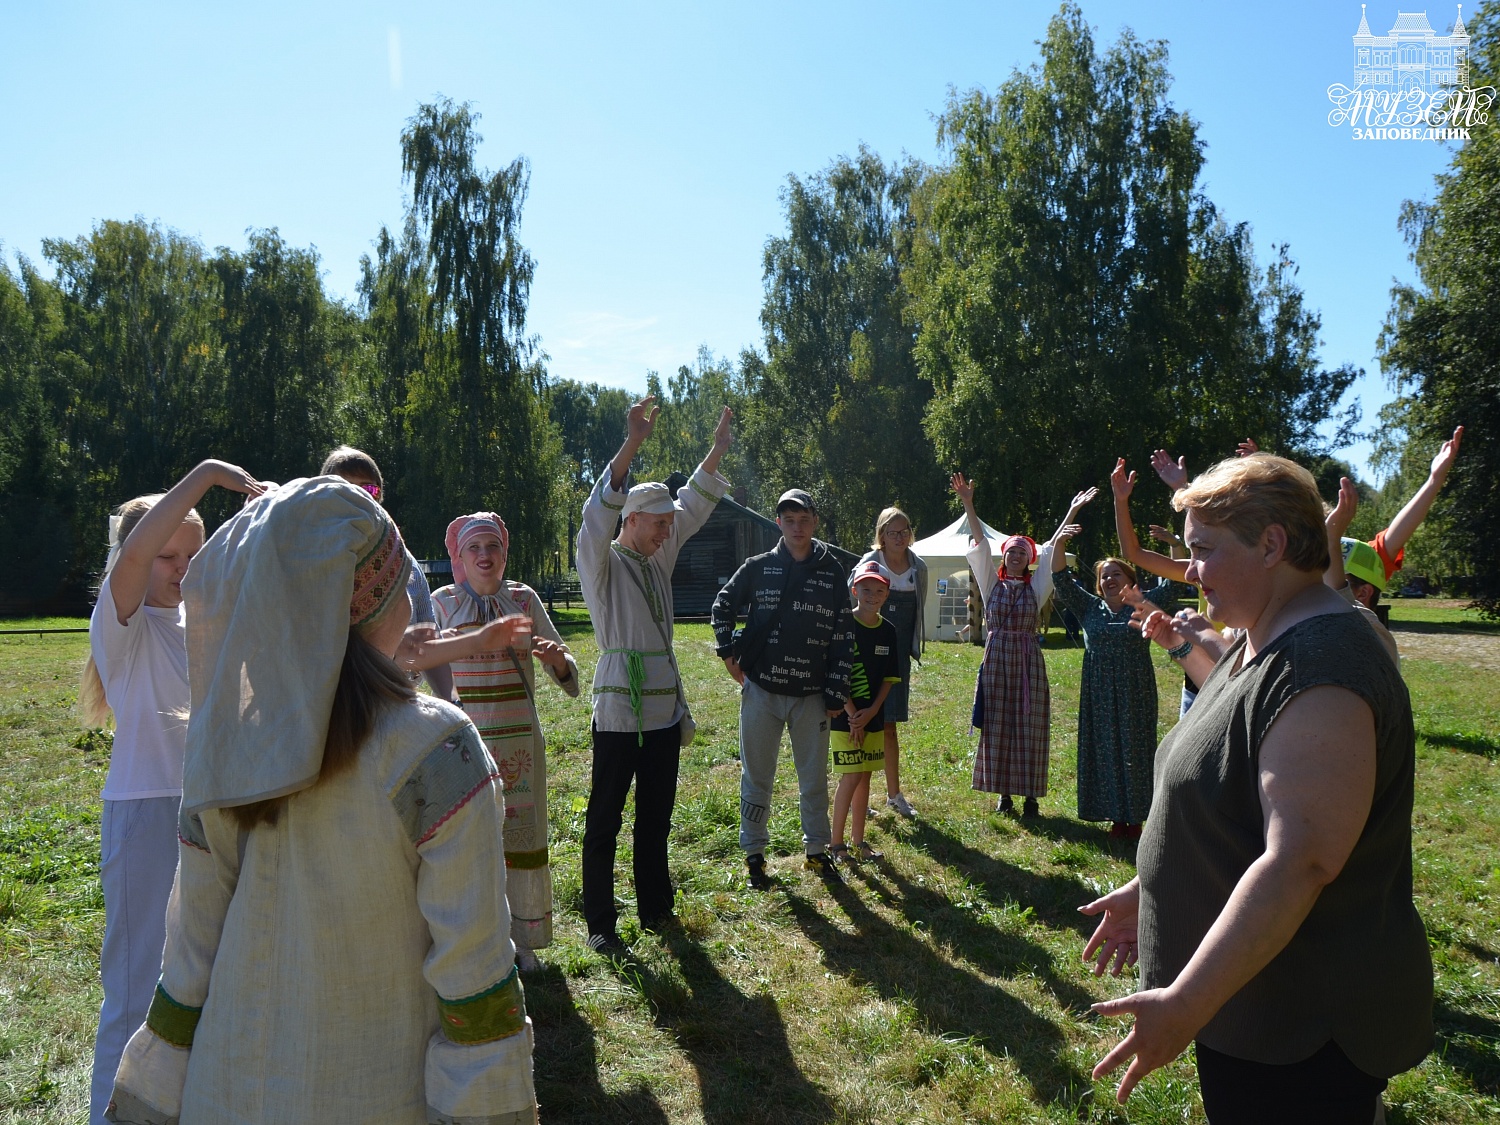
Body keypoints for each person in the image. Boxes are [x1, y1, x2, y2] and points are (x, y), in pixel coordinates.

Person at [105, 477, 539, 1124]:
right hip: (372, 1096)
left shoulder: (225, 745)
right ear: (377, 596)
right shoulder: (435, 748)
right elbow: (474, 971)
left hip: (220, 1095)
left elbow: (186, 958)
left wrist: (148, 1100)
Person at [1080, 453, 1432, 1124]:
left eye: (1205, 552)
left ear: (1271, 544)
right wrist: (1157, 882)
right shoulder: (1261, 637)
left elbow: (1300, 859)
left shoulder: (1323, 661)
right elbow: (1235, 792)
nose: (1190, 571)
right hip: (1259, 1014)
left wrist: (1183, 1002)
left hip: (1301, 1035)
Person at [79, 459, 267, 1125]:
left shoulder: (205, 620)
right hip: (144, 817)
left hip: (210, 811)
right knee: (135, 995)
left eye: (193, 552)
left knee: (208, 985)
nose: (182, 566)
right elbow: (133, 555)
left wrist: (261, 514)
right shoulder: (122, 623)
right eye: (167, 555)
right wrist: (209, 474)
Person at [577, 396, 733, 953]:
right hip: (619, 713)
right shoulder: (601, 562)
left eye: (670, 524)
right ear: (632, 520)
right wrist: (633, 443)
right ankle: (599, 924)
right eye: (659, 524)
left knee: (656, 818)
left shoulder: (657, 555)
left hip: (663, 711)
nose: (670, 532)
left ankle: (655, 910)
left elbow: (692, 504)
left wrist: (715, 451)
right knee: (604, 820)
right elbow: (596, 519)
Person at [405, 512, 581, 971]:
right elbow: (415, 664)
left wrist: (560, 663)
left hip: (519, 742)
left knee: (519, 840)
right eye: (474, 549)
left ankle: (520, 945)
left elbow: (568, 674)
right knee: (467, 844)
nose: (485, 556)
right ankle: (471, 943)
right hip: (459, 743)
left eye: (493, 547)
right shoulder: (440, 604)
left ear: (505, 552)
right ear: (460, 557)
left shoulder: (523, 600)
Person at [712, 488, 853, 889]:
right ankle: (754, 853)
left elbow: (844, 634)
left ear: (815, 523)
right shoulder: (757, 567)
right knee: (757, 775)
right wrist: (727, 653)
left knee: (813, 778)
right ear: (778, 523)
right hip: (762, 691)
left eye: (804, 519)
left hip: (812, 695)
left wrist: (835, 690)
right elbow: (722, 604)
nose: (797, 527)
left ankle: (816, 852)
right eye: (789, 520)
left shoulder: (832, 572)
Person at [952, 473, 1088, 817]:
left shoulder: (1038, 585)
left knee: (1030, 725)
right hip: (997, 657)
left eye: (1020, 553)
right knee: (998, 723)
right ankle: (1004, 794)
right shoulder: (989, 583)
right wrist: (969, 502)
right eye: (1010, 551)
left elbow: (1050, 549)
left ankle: (1030, 797)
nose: (1014, 556)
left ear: (1028, 559)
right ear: (1004, 557)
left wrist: (1070, 512)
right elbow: (979, 544)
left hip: (1027, 659)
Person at [1049, 541, 1172, 838]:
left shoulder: (1144, 602)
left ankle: (1138, 818)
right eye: (1105, 575)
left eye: (1116, 574)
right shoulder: (1089, 606)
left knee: (1136, 749)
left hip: (1135, 688)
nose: (1110, 580)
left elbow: (1173, 583)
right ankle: (1115, 817)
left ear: (1130, 580)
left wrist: (1174, 547)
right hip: (1099, 690)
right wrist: (1064, 536)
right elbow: (1060, 578)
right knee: (1104, 749)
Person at [320, 445, 455, 703]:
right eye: (344, 486)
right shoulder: (309, 558)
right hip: (331, 706)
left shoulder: (405, 563)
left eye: (368, 488)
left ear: (379, 497)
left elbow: (427, 642)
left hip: (395, 702)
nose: (358, 495)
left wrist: (451, 702)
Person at [828, 561, 902, 863]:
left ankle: (859, 842)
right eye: (866, 589)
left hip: (872, 716)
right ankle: (836, 845)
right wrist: (853, 713)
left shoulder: (888, 631)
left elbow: (889, 677)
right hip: (843, 714)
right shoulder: (842, 623)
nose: (873, 594)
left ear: (886, 594)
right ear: (854, 590)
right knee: (851, 776)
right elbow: (835, 670)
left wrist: (870, 712)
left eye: (879, 590)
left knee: (866, 776)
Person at [857, 507, 927, 818]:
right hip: (867, 658)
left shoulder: (918, 568)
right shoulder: (870, 564)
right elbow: (854, 604)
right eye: (892, 532)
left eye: (904, 531)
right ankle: (861, 798)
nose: (899, 538)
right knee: (865, 726)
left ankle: (894, 794)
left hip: (897, 658)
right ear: (881, 535)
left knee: (889, 726)